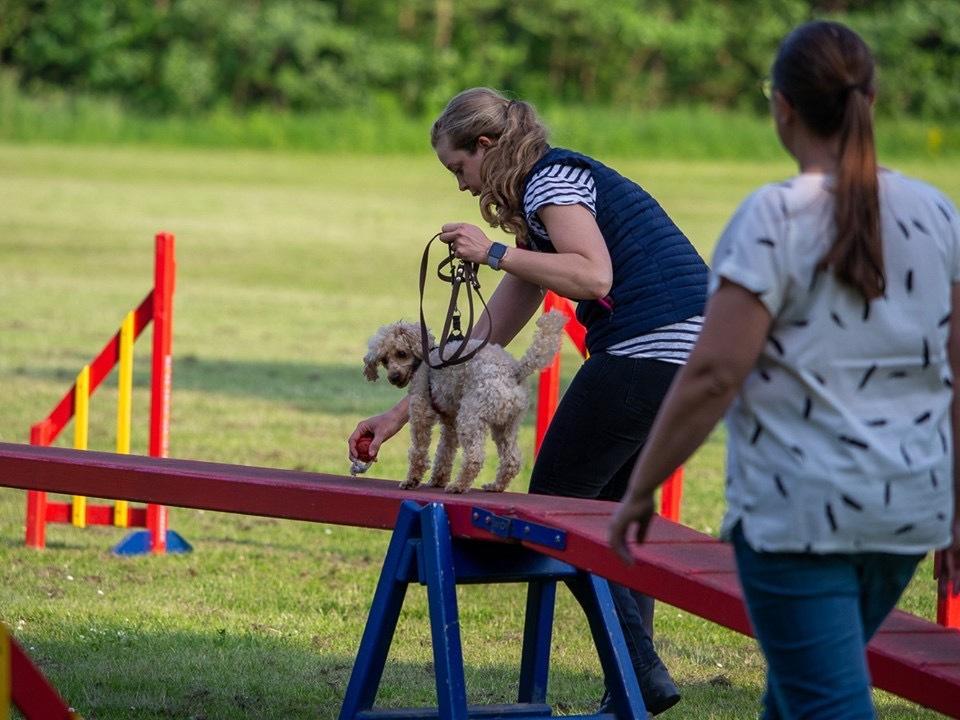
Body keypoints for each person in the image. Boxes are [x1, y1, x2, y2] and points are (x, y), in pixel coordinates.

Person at [609, 20, 960, 719]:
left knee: (825, 702)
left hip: (800, 521)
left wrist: (639, 488)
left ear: (783, 107)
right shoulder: (938, 213)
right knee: (798, 694)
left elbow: (713, 374)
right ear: (871, 101)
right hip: (905, 513)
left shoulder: (775, 215)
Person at [349, 86, 710, 714]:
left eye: (459, 168)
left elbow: (594, 275)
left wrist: (491, 251)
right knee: (610, 516)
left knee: (557, 510)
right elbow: (490, 331)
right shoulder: (538, 206)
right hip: (698, 364)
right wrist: (397, 415)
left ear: (486, 147)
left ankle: (640, 673)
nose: (462, 186)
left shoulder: (552, 182)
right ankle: (635, 683)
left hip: (650, 352)